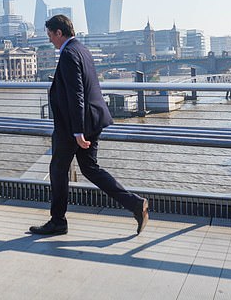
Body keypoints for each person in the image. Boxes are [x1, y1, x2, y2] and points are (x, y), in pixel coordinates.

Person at [29, 15, 148, 236]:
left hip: (73, 126)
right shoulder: (82, 49)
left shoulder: (67, 53)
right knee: (90, 169)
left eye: (50, 36)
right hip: (92, 120)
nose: (50, 41)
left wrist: (77, 132)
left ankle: (58, 222)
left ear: (59, 32)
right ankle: (135, 204)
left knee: (57, 170)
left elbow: (76, 94)